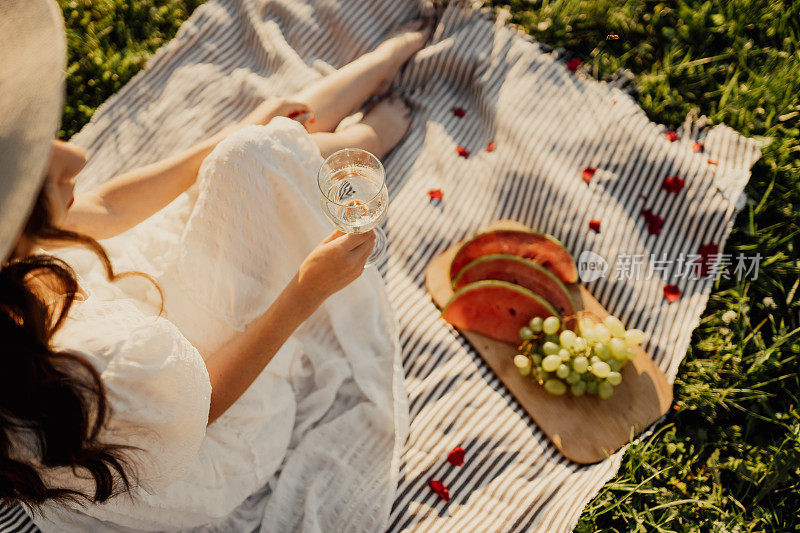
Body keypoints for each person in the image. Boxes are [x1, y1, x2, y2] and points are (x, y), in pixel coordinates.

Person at [0, 0, 431, 530]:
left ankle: (363, 95)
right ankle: (366, 138)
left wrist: (227, 135)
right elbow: (204, 404)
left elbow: (109, 207)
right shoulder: (77, 374)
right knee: (258, 161)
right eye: (34, 166)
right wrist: (305, 291)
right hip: (197, 434)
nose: (77, 157)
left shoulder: (8, 257)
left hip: (143, 364)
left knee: (246, 150)